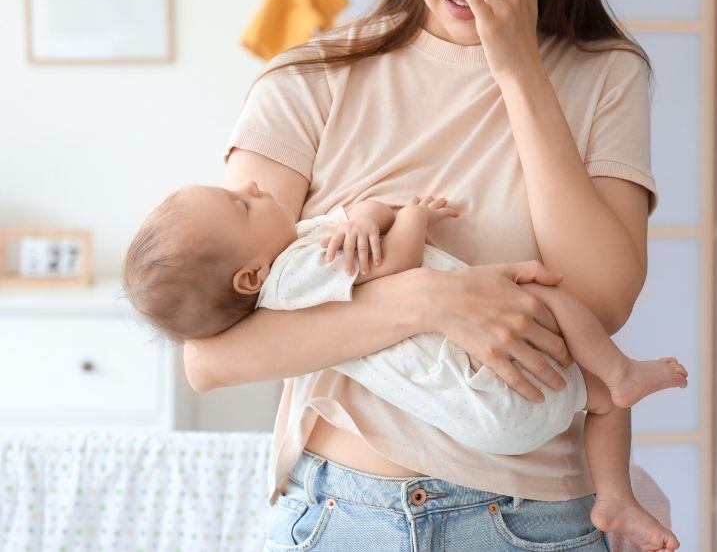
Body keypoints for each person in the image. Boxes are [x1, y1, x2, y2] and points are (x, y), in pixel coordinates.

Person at [183, 0, 677, 552]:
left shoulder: (603, 77)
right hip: (342, 513)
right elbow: (214, 354)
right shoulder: (307, 81)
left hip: (532, 522)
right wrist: (431, 302)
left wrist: (516, 68)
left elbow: (603, 300)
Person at [124, 185, 688, 547]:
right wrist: (413, 215)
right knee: (551, 303)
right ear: (248, 277)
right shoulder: (294, 273)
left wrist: (367, 214)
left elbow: (356, 221)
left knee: (589, 393)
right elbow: (398, 260)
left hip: (493, 413)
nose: (249, 187)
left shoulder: (295, 256)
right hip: (489, 392)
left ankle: (615, 500)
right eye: (240, 205)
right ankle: (620, 378)